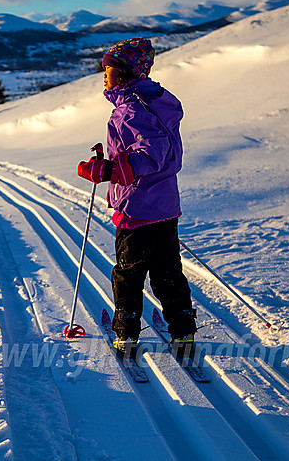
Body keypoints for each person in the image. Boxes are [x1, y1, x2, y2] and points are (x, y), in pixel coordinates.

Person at [77, 37, 196, 353]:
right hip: (166, 207)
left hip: (137, 209)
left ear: (126, 74)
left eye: (110, 70)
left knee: (128, 275)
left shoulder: (129, 110)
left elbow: (151, 153)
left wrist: (109, 171)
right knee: (168, 274)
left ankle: (126, 334)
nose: (104, 76)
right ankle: (183, 331)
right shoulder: (158, 101)